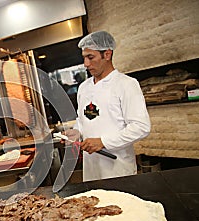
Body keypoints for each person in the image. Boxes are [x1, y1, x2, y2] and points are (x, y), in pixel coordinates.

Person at [65, 31, 151, 181]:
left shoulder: (126, 84)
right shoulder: (84, 87)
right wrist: (76, 131)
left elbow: (141, 126)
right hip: (91, 169)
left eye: (91, 57)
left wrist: (103, 142)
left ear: (107, 54)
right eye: (84, 58)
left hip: (117, 167)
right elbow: (84, 118)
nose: (86, 64)